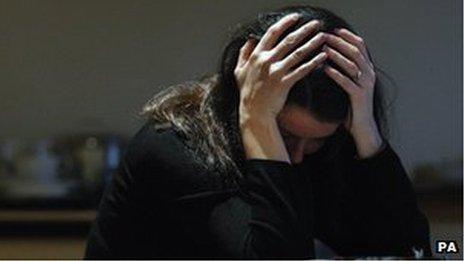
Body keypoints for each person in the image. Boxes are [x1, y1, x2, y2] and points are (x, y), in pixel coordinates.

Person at [84, 5, 432, 259]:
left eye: (318, 141)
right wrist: (257, 122)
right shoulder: (176, 146)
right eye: (287, 135)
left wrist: (366, 132)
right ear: (246, 101)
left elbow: (408, 248)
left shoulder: (320, 150)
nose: (297, 156)